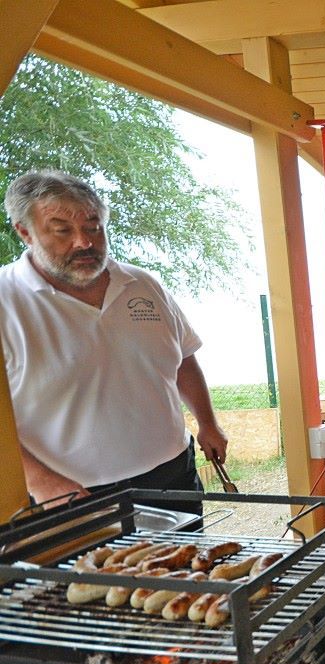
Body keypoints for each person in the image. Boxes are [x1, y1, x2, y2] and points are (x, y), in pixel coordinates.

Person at [1, 170, 227, 520]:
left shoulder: (142, 283)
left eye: (94, 227)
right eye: (62, 230)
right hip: (68, 493)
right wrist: (40, 481)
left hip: (171, 474)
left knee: (188, 557)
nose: (84, 242)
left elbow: (182, 358)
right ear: (25, 232)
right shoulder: (6, 300)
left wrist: (207, 422)